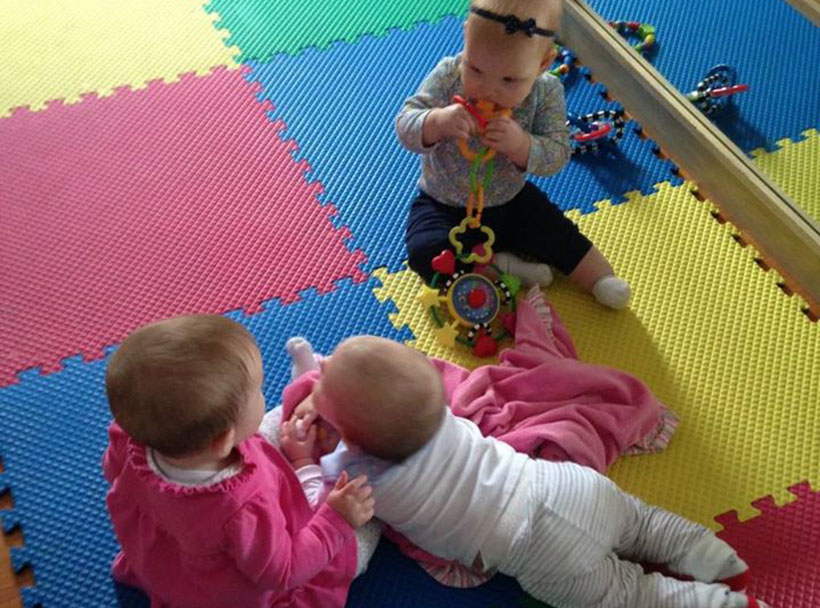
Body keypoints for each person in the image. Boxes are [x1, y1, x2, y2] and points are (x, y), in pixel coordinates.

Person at [303, 335, 768, 608]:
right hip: (566, 486)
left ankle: (719, 604)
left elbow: (321, 494)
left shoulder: (364, 482)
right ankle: (712, 557)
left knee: (633, 594)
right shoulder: (441, 417)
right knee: (642, 522)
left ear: (352, 438)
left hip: (540, 556)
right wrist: (338, 389)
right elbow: (394, 397)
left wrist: (305, 452)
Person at [102, 315, 374, 608]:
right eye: (257, 390)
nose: (262, 392)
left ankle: (312, 395)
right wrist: (337, 520)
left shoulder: (130, 436)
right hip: (233, 586)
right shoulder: (243, 508)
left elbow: (112, 471)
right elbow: (284, 571)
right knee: (368, 521)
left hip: (164, 562)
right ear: (224, 441)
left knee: (281, 426)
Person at [397, 0, 631, 309]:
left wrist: (521, 145)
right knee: (425, 252)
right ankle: (498, 267)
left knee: (557, 233)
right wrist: (435, 122)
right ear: (467, 37)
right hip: (442, 201)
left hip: (512, 200)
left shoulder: (546, 92)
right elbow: (405, 123)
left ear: (543, 64)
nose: (487, 89)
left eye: (509, 80)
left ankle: (599, 278)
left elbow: (558, 154)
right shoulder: (448, 74)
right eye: (476, 68)